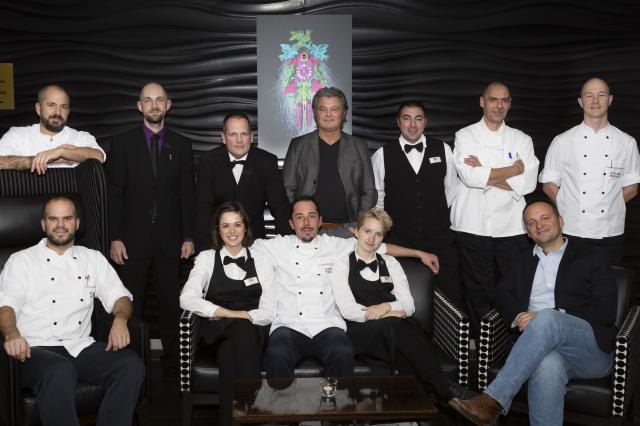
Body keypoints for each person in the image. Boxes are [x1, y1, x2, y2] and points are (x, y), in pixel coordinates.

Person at [449, 199, 617, 426]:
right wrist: (519, 316)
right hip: (539, 349)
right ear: (527, 232)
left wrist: (554, 314)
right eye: (531, 222)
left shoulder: (592, 257)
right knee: (548, 365)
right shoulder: (520, 260)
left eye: (545, 218)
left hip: (590, 351)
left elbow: (606, 312)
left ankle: (492, 401)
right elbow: (500, 294)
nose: (539, 225)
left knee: (547, 317)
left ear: (560, 221)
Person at [251, 196, 439, 379]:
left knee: (342, 351)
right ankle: (281, 401)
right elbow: (243, 247)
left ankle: (337, 401)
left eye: (312, 216)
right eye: (299, 217)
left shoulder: (335, 245)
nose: (306, 222)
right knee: (277, 354)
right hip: (288, 325)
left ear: (320, 221)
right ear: (291, 223)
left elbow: (378, 246)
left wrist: (418, 253)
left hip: (327, 325)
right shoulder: (275, 246)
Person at [0, 196, 144, 426]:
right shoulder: (21, 261)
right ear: (43, 224)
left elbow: (120, 297)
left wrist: (120, 320)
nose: (60, 225)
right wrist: (11, 334)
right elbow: (6, 305)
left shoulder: (92, 259)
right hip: (33, 350)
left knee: (131, 365)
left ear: (77, 223)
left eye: (67, 218)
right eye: (53, 219)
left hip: (80, 347)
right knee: (60, 369)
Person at [331, 208, 476, 404]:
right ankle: (445, 388)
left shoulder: (391, 263)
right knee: (398, 326)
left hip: (391, 329)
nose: (371, 238)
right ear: (356, 231)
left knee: (400, 335)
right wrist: (387, 313)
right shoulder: (342, 264)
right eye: (367, 231)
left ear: (383, 238)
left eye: (378, 234)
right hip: (359, 331)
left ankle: (413, 406)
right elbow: (348, 310)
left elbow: (409, 305)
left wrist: (385, 307)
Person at [107, 82, 195, 373]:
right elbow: (115, 195)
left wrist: (188, 236)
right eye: (148, 100)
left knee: (171, 304)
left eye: (159, 100)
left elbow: (187, 194)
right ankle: (131, 365)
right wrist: (115, 237)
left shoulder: (182, 145)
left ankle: (172, 366)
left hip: (171, 240)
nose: (154, 105)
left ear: (168, 105)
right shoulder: (122, 143)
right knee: (132, 303)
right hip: (132, 241)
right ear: (139, 106)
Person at [451, 82, 539, 333]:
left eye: (504, 100)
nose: (499, 105)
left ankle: (510, 344)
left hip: (512, 226)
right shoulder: (465, 135)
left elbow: (528, 184)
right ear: (482, 102)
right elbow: (470, 177)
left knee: (512, 289)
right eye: (493, 99)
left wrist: (485, 171)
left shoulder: (522, 139)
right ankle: (483, 346)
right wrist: (513, 169)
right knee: (477, 292)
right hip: (472, 224)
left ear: (510, 104)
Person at [180, 201, 273, 426]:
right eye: (225, 225)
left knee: (229, 353)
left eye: (237, 224)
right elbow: (186, 298)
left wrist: (242, 316)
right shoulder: (206, 258)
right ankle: (253, 416)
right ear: (218, 230)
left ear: (245, 228)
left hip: (254, 328)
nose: (232, 231)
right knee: (240, 330)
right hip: (217, 331)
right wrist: (230, 313)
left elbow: (270, 309)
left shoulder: (261, 259)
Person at [540, 77, 640, 266]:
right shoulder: (562, 141)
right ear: (580, 101)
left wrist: (608, 206)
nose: (595, 101)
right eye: (589, 96)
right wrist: (570, 207)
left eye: (601, 95)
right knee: (571, 283)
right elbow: (548, 184)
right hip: (572, 230)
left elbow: (632, 187)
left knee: (608, 282)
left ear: (610, 100)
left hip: (610, 232)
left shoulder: (626, 142)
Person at [371, 101, 463, 306]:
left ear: (425, 122)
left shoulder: (443, 149)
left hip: (440, 239)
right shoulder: (381, 155)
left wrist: (433, 213)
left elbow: (451, 189)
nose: (412, 124)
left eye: (418, 118)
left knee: (449, 296)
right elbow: (378, 198)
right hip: (400, 241)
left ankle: (448, 329)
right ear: (398, 122)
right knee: (404, 297)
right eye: (407, 118)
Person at [282, 87, 376, 237]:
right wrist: (300, 220)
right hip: (309, 230)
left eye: (334, 109)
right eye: (323, 109)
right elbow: (288, 188)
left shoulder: (359, 146)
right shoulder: (298, 145)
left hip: (349, 230)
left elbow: (369, 190)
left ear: (344, 113)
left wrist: (359, 223)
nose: (328, 114)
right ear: (315, 113)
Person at [194, 112, 290, 251]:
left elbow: (280, 208)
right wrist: (203, 250)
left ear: (251, 137)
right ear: (223, 138)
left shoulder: (266, 161)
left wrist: (289, 246)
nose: (239, 140)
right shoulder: (209, 161)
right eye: (233, 134)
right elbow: (203, 209)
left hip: (255, 244)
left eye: (244, 134)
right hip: (217, 244)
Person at [0, 85, 105, 174]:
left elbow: (99, 156)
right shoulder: (17, 134)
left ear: (68, 112)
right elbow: (1, 161)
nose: (58, 112)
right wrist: (50, 159)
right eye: (51, 105)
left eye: (64, 107)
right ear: (38, 108)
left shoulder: (80, 136)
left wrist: (62, 152)